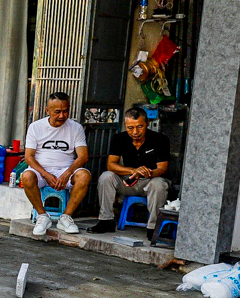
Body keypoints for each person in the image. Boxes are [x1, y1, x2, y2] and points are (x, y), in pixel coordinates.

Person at [89, 108, 171, 239]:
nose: (135, 132)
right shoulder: (119, 138)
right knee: (106, 177)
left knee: (159, 184)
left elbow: (162, 169)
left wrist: (146, 173)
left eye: (139, 127)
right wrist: (133, 171)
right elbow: (111, 164)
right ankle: (106, 220)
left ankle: (153, 228)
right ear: (125, 126)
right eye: (130, 128)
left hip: (151, 181)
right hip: (128, 182)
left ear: (147, 123)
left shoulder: (160, 139)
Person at [22, 92, 91, 236]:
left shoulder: (76, 128)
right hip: (41, 172)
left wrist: (67, 173)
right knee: (26, 176)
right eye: (57, 112)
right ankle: (42, 216)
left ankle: (65, 217)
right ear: (48, 111)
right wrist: (45, 174)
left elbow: (83, 156)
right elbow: (28, 157)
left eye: (65, 111)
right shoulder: (36, 127)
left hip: (66, 170)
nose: (62, 116)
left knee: (84, 175)